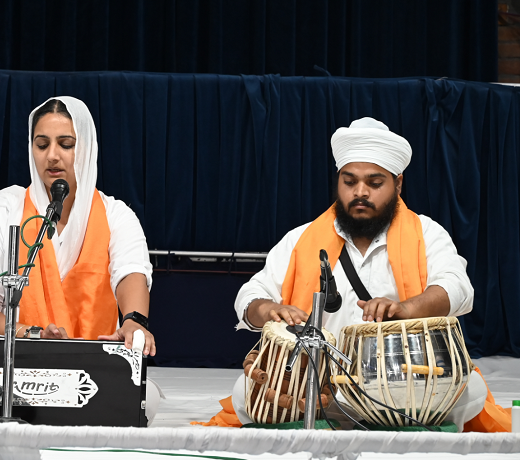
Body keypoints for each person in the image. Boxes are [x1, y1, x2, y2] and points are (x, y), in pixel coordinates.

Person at [204, 117, 509, 432]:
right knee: (244, 393)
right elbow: (251, 294)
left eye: (375, 183)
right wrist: (267, 309)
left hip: (403, 380)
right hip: (321, 386)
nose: (360, 192)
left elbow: (457, 287)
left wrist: (407, 309)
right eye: (349, 182)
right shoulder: (302, 238)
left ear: (398, 183)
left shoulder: (426, 233)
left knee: (469, 389)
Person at [0, 97, 156, 355]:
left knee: (149, 396)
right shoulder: (5, 210)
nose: (52, 156)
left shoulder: (116, 215)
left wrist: (134, 321)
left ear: (87, 149)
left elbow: (131, 272)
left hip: (96, 371)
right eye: (42, 145)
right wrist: (33, 334)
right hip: (17, 367)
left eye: (66, 144)